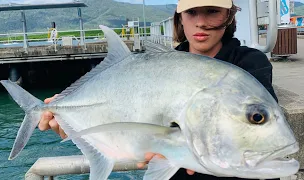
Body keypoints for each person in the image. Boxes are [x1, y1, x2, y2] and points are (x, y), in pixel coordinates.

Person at [38, 0, 279, 179]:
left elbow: (251, 129)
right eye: (192, 12)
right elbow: (125, 117)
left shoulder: (248, 63)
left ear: (229, 16)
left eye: (213, 12)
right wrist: (72, 126)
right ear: (179, 18)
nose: (201, 22)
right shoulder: (155, 68)